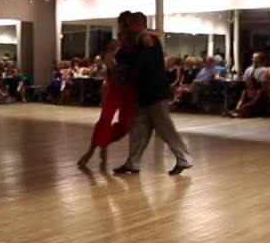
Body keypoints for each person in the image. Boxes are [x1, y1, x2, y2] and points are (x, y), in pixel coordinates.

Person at [113, 12, 192, 176]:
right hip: (146, 93)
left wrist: (123, 64)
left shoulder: (148, 41)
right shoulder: (143, 39)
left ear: (136, 24)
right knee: (139, 129)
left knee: (165, 127)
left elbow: (139, 64)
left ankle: (185, 158)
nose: (127, 27)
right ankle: (133, 162)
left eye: (128, 24)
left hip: (154, 92)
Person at [78, 12, 137, 169]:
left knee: (125, 125)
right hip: (116, 85)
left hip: (131, 89)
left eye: (126, 24)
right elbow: (110, 69)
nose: (124, 28)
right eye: (122, 24)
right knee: (106, 118)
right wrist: (110, 65)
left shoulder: (138, 41)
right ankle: (92, 150)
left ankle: (102, 144)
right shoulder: (116, 44)